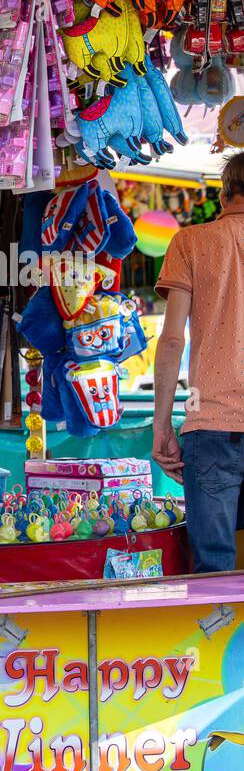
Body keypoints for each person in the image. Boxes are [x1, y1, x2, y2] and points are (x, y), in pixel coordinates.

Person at [153, 151, 244, 573]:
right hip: (210, 427)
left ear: (225, 194)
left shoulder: (190, 242)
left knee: (213, 567)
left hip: (208, 422)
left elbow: (172, 341)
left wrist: (161, 427)